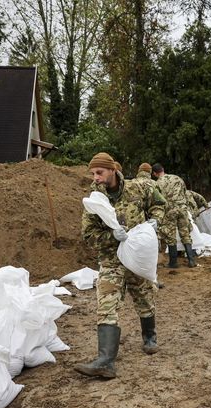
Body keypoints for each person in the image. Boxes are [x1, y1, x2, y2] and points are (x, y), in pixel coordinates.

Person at [76, 152, 165, 379]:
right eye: (93, 173)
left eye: (99, 172)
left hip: (136, 258)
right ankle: (105, 361)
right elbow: (89, 235)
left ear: (112, 170)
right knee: (106, 305)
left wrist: (155, 221)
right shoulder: (95, 200)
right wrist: (112, 237)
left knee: (144, 298)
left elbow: (158, 204)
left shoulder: (138, 188)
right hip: (111, 261)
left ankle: (149, 337)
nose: (95, 177)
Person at [152, 163, 196, 268]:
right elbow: (186, 193)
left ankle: (173, 263)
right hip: (182, 209)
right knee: (185, 233)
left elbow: (158, 199)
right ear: (163, 169)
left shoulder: (157, 183)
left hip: (169, 211)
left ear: (154, 173)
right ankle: (191, 261)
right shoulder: (178, 178)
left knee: (170, 236)